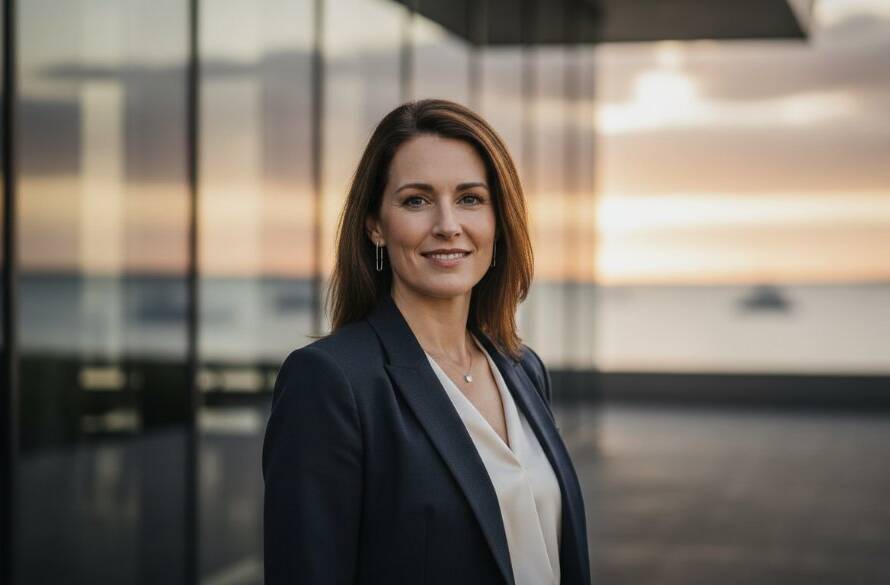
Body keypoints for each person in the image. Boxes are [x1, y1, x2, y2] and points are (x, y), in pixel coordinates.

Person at [262, 99, 590, 585]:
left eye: (470, 199)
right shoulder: (331, 382)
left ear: (499, 224)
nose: (447, 225)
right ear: (375, 224)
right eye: (416, 200)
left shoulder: (523, 369)